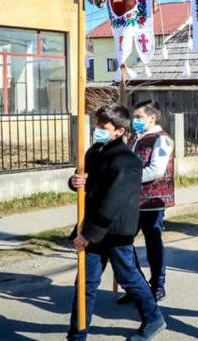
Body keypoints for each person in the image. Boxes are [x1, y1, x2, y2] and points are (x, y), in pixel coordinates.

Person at [66, 103, 165, 341]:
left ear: (119, 131)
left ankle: (153, 318)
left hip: (115, 230)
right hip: (93, 227)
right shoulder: (94, 152)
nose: (97, 130)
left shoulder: (126, 161)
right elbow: (87, 183)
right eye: (97, 125)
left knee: (128, 277)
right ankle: (77, 335)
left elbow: (112, 202)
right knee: (85, 283)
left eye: (103, 127)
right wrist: (75, 181)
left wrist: (88, 234)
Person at [116, 100, 175, 305]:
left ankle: (157, 285)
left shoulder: (161, 139)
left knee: (153, 243)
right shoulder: (134, 137)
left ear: (152, 118)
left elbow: (156, 170)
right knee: (123, 241)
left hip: (152, 200)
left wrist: (127, 177)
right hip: (131, 198)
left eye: (139, 117)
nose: (135, 121)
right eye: (134, 117)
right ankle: (137, 285)